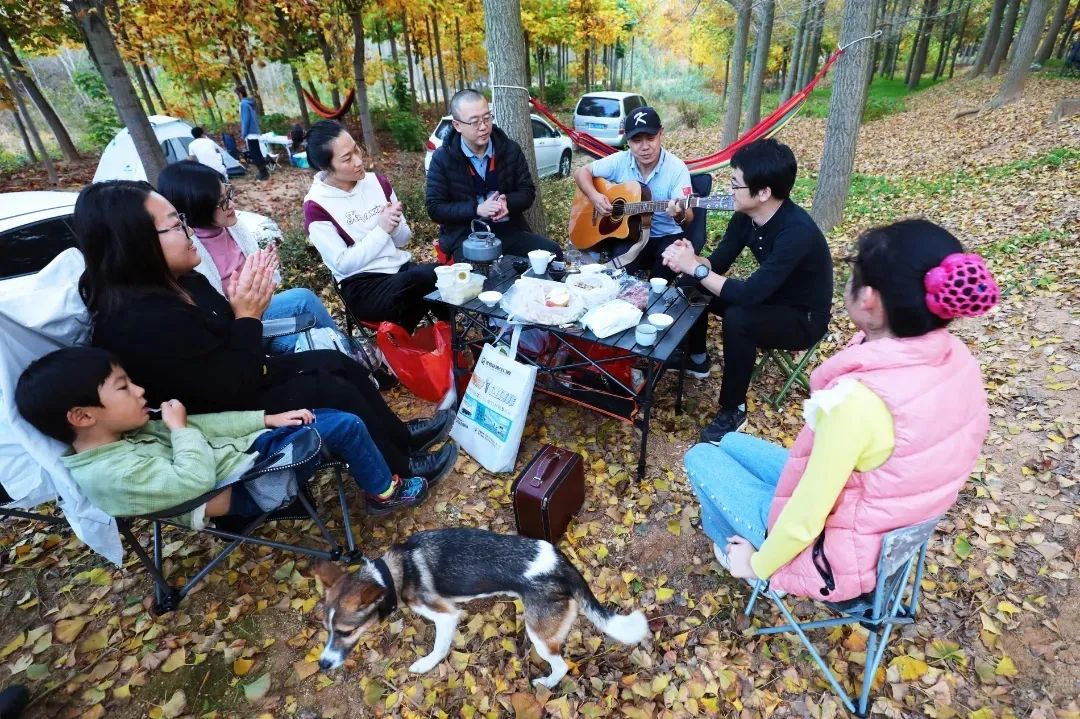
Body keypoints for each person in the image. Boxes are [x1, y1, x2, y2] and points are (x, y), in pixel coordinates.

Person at [684, 219, 999, 601]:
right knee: (731, 443)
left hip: (837, 556)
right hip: (883, 521)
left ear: (868, 299)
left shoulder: (857, 402)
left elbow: (805, 520)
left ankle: (753, 573)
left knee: (701, 456)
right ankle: (742, 542)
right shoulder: (954, 357)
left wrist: (761, 563)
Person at [73, 180, 457, 487]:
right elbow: (229, 388)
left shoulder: (182, 280)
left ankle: (402, 439)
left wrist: (244, 311)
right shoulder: (137, 322)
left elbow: (231, 343)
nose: (190, 232)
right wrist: (247, 316)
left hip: (243, 374)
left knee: (338, 362)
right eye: (176, 225)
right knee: (330, 386)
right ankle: (401, 467)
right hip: (219, 415)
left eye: (184, 220)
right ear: (134, 243)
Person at [15, 348, 430, 521]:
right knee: (345, 424)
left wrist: (264, 420)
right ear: (83, 416)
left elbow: (205, 427)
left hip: (243, 456)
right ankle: (383, 492)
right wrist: (178, 430)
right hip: (249, 485)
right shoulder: (108, 473)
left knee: (314, 414)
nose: (139, 391)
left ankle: (377, 468)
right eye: (123, 387)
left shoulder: (122, 436)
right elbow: (194, 482)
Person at [662, 139, 833, 443]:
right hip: (770, 296)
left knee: (740, 317)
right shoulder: (746, 216)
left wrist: (697, 268)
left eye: (735, 184)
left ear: (764, 192)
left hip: (802, 317)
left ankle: (733, 409)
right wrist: (689, 258)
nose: (730, 191)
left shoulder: (796, 232)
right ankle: (697, 358)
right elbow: (719, 262)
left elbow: (749, 295)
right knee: (692, 283)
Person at [158, 160, 344, 354]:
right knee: (304, 343)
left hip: (258, 307)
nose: (231, 204)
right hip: (236, 322)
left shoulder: (234, 227)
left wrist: (266, 272)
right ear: (198, 208)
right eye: (221, 202)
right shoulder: (189, 250)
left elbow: (265, 286)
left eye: (228, 193)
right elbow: (216, 314)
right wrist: (247, 290)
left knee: (305, 301)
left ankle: (350, 352)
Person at [303, 120, 438, 331]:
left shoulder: (377, 183)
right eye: (347, 159)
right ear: (326, 167)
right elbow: (343, 263)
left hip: (400, 272)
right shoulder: (316, 205)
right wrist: (381, 230)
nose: (358, 161)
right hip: (363, 287)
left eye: (357, 150)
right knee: (427, 278)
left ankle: (454, 345)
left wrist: (394, 224)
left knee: (445, 277)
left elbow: (403, 239)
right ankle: (401, 345)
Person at [425, 88, 562, 262]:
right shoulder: (443, 158)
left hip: (507, 230)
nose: (483, 127)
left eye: (487, 118)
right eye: (474, 122)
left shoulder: (509, 149)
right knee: (480, 276)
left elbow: (527, 192)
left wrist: (508, 203)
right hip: (466, 236)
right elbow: (435, 208)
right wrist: (476, 209)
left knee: (552, 254)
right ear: (457, 125)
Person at [574, 106, 693, 277]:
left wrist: (678, 214)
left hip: (665, 236)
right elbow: (581, 173)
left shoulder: (676, 168)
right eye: (637, 141)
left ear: (661, 133)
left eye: (651, 138)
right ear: (627, 141)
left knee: (662, 277)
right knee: (619, 276)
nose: (645, 147)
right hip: (630, 235)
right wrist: (595, 196)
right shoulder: (620, 160)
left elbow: (688, 216)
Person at [236, 86, 269, 181]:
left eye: (237, 94)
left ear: (240, 94)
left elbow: (246, 120)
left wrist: (243, 133)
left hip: (250, 132)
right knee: (257, 152)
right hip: (254, 131)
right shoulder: (249, 103)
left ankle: (263, 173)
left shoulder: (243, 104)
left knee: (255, 154)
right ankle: (264, 172)